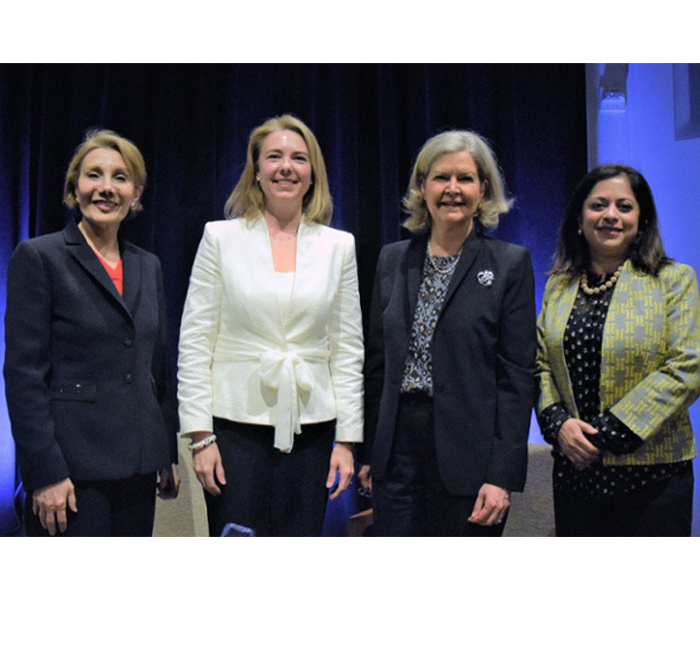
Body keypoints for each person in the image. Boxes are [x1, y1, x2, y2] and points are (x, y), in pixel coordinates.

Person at [177, 114, 363, 537]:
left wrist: (348, 442)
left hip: (312, 431)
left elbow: (348, 349)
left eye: (299, 158)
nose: (286, 167)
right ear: (256, 170)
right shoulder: (219, 238)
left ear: (312, 172)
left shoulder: (339, 246)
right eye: (274, 156)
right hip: (232, 430)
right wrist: (200, 438)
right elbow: (195, 343)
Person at [4, 129, 179, 536]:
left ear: (136, 193)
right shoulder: (39, 257)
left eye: (120, 178)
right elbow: (23, 377)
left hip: (138, 467)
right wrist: (45, 473)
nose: (105, 188)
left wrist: (165, 450)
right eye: (93, 175)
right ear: (74, 188)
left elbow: (158, 365)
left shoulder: (147, 264)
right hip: (70, 474)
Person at [360, 130, 536, 536]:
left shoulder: (510, 264)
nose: (452, 190)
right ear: (422, 186)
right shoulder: (392, 259)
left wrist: (501, 475)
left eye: (465, 179)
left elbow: (516, 378)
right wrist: (372, 450)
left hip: (469, 458)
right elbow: (377, 364)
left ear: (484, 189)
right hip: (397, 454)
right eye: (441, 178)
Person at [536, 164, 700, 536]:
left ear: (641, 220)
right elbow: (540, 365)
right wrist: (558, 424)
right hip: (575, 474)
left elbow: (688, 366)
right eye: (598, 205)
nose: (611, 215)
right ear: (580, 218)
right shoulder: (558, 286)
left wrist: (603, 432)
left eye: (624, 206)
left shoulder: (674, 280)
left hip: (654, 478)